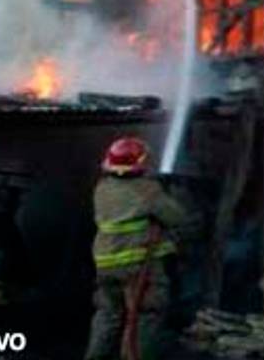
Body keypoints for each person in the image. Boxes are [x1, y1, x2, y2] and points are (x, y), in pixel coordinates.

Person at [85, 136, 185, 360]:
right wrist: (168, 193)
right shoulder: (148, 191)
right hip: (138, 267)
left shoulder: (102, 188)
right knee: (146, 315)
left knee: (108, 313)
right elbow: (176, 217)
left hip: (106, 266)